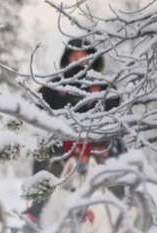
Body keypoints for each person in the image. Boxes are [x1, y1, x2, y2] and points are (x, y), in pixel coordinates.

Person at [24, 39, 122, 220]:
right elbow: (38, 107)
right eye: (74, 55)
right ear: (67, 58)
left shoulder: (104, 85)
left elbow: (116, 110)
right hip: (63, 144)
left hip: (97, 143)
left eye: (83, 55)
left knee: (117, 151)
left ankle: (123, 202)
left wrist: (100, 100)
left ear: (91, 58)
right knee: (43, 152)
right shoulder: (55, 84)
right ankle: (38, 209)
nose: (78, 59)